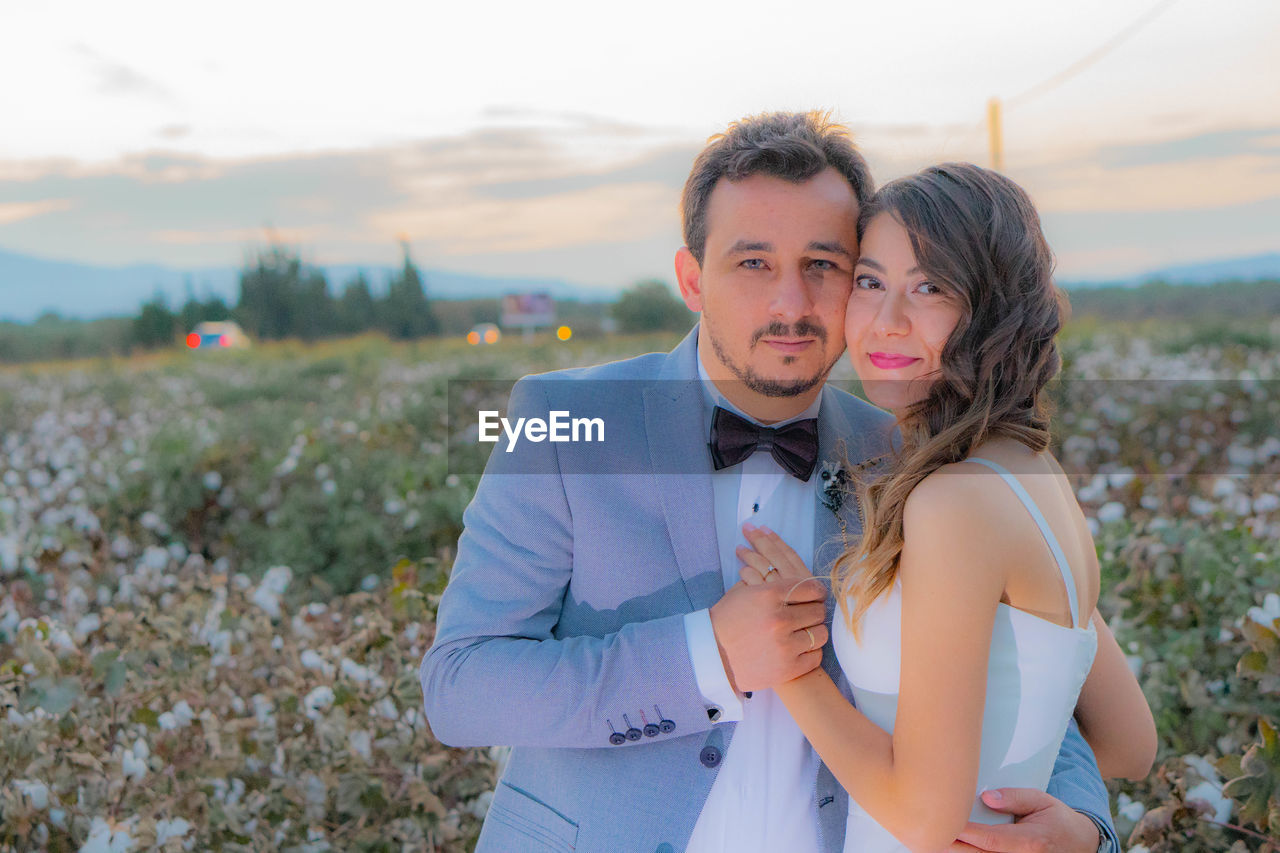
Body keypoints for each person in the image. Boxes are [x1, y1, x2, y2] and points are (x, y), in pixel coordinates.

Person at [421, 112, 1124, 852]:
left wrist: (1082, 827)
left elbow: (1017, 680)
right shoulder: (561, 420)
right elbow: (462, 684)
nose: (790, 303)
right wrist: (706, 656)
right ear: (692, 280)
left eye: (824, 264)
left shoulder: (910, 460)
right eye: (753, 263)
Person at [735, 162, 1157, 853]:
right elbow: (1129, 741)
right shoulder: (1029, 472)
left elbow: (926, 821)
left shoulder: (953, 503)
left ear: (994, 306)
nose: (886, 322)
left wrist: (794, 668)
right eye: (869, 282)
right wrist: (1076, 827)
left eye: (929, 287)